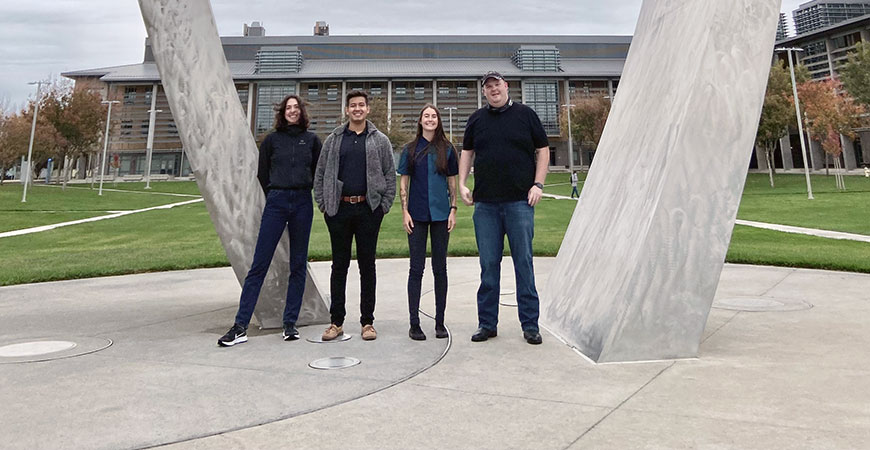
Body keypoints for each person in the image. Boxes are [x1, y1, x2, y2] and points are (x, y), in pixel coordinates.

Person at [218, 95, 321, 347]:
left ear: (302, 112)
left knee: (298, 264)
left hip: (302, 203)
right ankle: (240, 325)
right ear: (282, 112)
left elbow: (318, 172)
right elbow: (262, 174)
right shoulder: (271, 141)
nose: (293, 111)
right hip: (276, 202)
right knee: (259, 264)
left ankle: (290, 324)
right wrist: (278, 193)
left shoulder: (312, 140)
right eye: (289, 108)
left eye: (297, 107)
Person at [458, 71, 549, 345]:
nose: (493, 89)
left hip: (520, 202)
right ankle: (487, 323)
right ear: (484, 92)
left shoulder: (526, 115)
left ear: (506, 86)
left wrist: (538, 184)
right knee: (488, 266)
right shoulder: (476, 120)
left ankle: (530, 325)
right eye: (488, 87)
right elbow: (467, 153)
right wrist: (462, 183)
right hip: (485, 205)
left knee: (524, 263)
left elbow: (543, 150)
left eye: (497, 84)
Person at [314, 90, 396, 342]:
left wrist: (383, 206)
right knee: (339, 266)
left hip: (368, 210)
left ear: (367, 109)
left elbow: (390, 175)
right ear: (347, 110)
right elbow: (320, 174)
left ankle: (367, 321)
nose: (357, 109)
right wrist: (324, 205)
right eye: (353, 105)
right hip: (338, 210)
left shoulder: (380, 140)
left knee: (367, 265)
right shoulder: (334, 139)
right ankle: (336, 322)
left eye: (361, 105)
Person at [397, 104, 458, 341]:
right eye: (426, 116)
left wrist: (453, 209)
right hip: (417, 215)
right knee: (416, 268)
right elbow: (404, 184)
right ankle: (414, 323)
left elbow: (452, 183)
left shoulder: (448, 149)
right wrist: (404, 212)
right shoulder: (410, 150)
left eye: (434, 116)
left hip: (442, 216)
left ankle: (440, 322)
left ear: (438, 120)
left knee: (440, 268)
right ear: (420, 121)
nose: (430, 119)